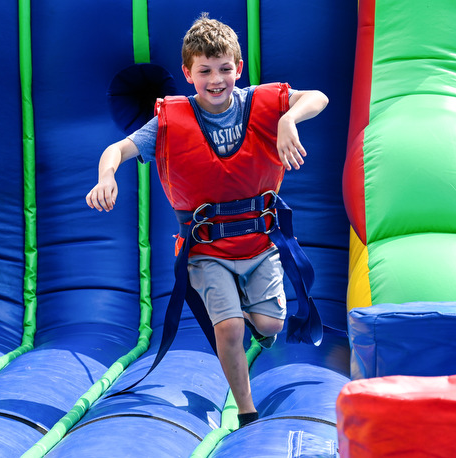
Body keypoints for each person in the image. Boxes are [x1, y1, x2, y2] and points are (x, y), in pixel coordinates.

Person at [86, 13, 328, 428]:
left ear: (239, 68)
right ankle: (247, 412)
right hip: (206, 250)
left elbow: (318, 97)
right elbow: (118, 149)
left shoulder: (262, 103)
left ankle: (260, 322)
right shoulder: (168, 121)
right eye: (205, 71)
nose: (216, 80)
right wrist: (106, 175)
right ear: (187, 73)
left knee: (269, 324)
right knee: (231, 327)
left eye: (224, 69)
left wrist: (289, 119)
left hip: (259, 245)